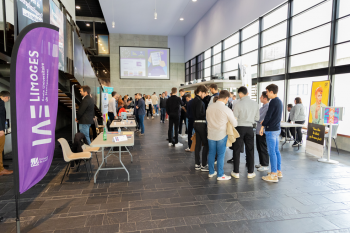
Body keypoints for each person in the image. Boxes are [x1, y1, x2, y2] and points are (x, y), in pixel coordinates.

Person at [207, 90, 237, 181]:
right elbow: (234, 124)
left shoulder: (209, 108)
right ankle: (220, 175)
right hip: (221, 134)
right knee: (220, 155)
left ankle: (211, 172)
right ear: (227, 98)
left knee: (211, 153)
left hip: (211, 134)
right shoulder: (226, 109)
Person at [231, 86, 259, 179]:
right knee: (250, 150)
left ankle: (236, 172)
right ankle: (250, 172)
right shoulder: (255, 104)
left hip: (239, 128)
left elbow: (234, 118)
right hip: (250, 128)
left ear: (240, 94)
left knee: (237, 149)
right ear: (247, 93)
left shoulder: (238, 104)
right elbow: (257, 118)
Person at [260, 84, 283, 183]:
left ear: (271, 92)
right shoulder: (279, 101)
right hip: (276, 129)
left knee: (272, 152)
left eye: (267, 91)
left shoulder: (273, 102)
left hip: (271, 130)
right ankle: (278, 171)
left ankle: (273, 174)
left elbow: (268, 116)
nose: (266, 93)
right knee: (276, 151)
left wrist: (263, 124)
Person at [192, 85, 209, 172]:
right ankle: (204, 165)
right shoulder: (199, 101)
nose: (205, 95)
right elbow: (199, 114)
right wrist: (207, 113)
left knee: (198, 144)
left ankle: (197, 164)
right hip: (201, 124)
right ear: (201, 92)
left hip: (195, 123)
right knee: (206, 144)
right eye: (205, 93)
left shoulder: (194, 100)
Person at [255, 91, 270, 172]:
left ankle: (265, 164)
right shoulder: (262, 107)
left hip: (262, 131)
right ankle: (261, 163)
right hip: (258, 130)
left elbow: (259, 118)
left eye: (261, 97)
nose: (260, 98)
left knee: (263, 147)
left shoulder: (267, 107)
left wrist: (255, 117)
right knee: (259, 147)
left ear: (265, 98)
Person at [0, 91, 12, 176]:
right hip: (0, 130)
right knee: (0, 150)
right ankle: (1, 170)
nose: (8, 100)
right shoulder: (1, 104)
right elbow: (0, 117)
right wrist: (1, 129)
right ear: (6, 97)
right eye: (9, 98)